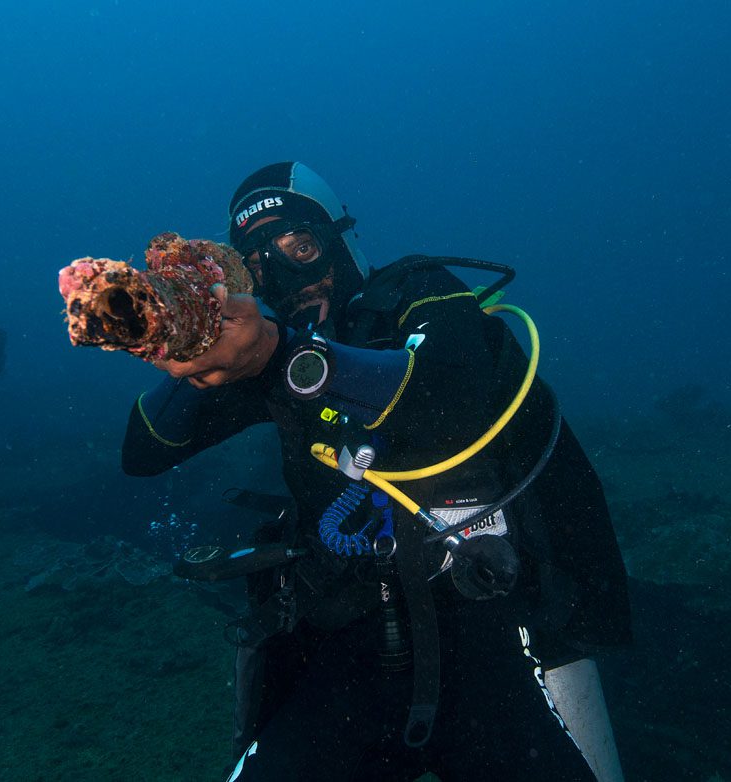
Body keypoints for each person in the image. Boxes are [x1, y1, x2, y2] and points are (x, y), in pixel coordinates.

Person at [121, 162, 631, 781]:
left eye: (301, 247)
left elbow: (452, 399)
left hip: (491, 638)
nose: (288, 277)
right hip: (351, 648)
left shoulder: (418, 295)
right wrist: (187, 334)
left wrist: (284, 353)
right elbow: (144, 451)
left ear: (342, 238)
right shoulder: (269, 348)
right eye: (259, 266)